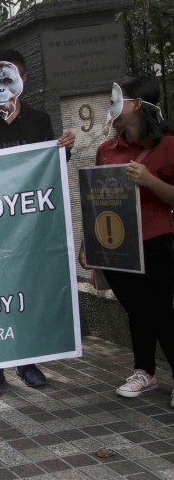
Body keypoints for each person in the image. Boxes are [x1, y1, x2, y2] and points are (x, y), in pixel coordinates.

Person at [0, 49, 74, 394]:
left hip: (28, 229)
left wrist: (62, 151)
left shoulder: (39, 121)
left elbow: (48, 172)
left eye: (9, 77)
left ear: (23, 81)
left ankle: (27, 360)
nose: (2, 85)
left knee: (27, 292)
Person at [84, 75, 174, 400]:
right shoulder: (106, 150)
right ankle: (145, 372)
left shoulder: (168, 146)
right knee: (137, 309)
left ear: (137, 105)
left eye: (117, 100)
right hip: (117, 246)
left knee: (160, 310)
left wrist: (149, 180)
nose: (112, 108)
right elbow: (95, 200)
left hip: (156, 241)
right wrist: (88, 246)